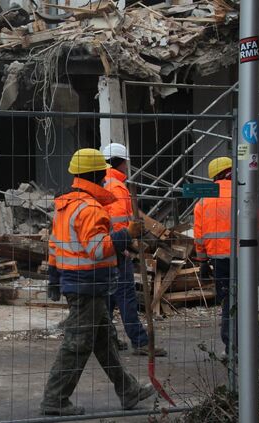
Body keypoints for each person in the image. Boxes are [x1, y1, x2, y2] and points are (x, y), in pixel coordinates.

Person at [41, 148, 154, 416]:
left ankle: (128, 390)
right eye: (102, 174)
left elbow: (55, 247)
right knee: (77, 344)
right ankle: (54, 399)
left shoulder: (65, 205)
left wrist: (54, 278)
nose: (105, 179)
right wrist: (126, 234)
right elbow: (98, 249)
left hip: (79, 283)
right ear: (96, 174)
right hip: (87, 285)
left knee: (105, 343)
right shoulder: (90, 207)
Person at [101, 143, 168, 357]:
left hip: (106, 246)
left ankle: (106, 338)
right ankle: (140, 341)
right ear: (121, 162)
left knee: (110, 297)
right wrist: (126, 246)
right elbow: (120, 222)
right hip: (117, 248)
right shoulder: (117, 187)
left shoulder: (103, 182)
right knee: (126, 295)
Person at [194, 157, 233, 355]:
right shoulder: (242, 192)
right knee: (246, 300)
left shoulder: (204, 199)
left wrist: (202, 262)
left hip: (218, 260)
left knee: (227, 301)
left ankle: (230, 346)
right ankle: (248, 346)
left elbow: (199, 236)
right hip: (243, 257)